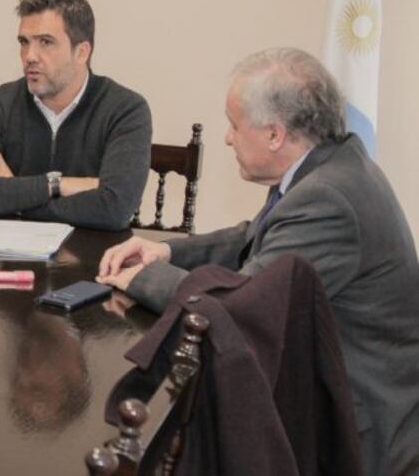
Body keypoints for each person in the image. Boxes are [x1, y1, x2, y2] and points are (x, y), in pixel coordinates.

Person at [97, 47, 419, 476]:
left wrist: (142, 278)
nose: (228, 137)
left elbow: (241, 307)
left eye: (234, 124)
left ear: (274, 134)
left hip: (362, 429)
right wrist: (166, 250)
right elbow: (256, 234)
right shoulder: (325, 165)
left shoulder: (328, 199)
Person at [0, 0, 151, 230]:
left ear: (82, 52)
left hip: (92, 262)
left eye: (45, 42)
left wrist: (12, 195)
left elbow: (115, 208)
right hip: (10, 261)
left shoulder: (125, 110)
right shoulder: (0, 103)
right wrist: (56, 185)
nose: (30, 56)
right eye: (24, 42)